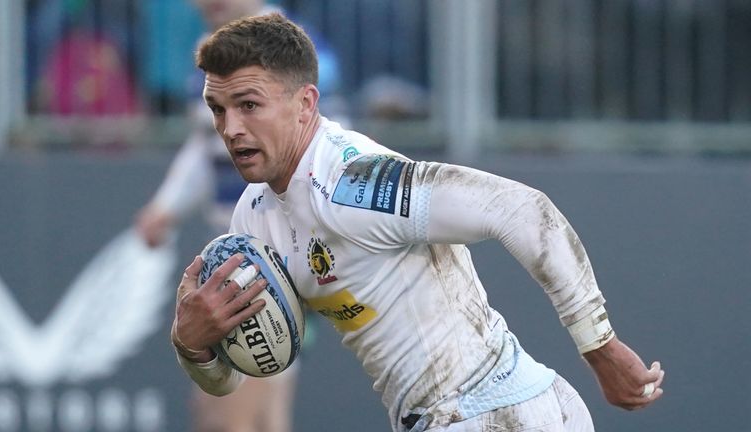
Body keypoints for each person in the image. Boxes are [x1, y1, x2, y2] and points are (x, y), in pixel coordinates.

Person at [170, 13, 665, 432]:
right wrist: (193, 346)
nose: (230, 129)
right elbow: (240, 376)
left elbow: (524, 211)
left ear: (305, 104)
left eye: (249, 105)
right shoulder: (254, 218)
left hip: (495, 413)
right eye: (218, 109)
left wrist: (599, 347)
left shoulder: (352, 181)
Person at [136, 2, 340, 431]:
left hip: (272, 257)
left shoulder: (289, 50)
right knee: (253, 414)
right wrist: (166, 207)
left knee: (231, 417)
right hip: (238, 249)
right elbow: (201, 148)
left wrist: (309, 240)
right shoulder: (215, 56)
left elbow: (332, 146)